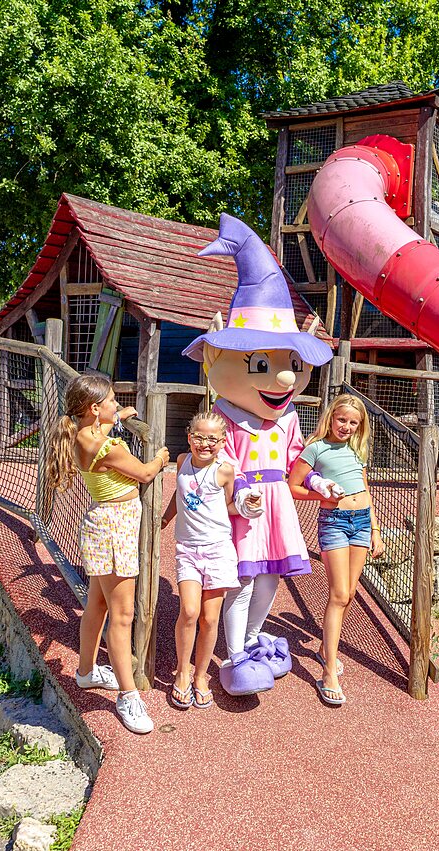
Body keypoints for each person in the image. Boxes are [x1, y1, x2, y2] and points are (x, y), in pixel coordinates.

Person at [181, 213, 333, 698]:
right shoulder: (223, 416)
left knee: (271, 577)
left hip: (279, 507)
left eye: (291, 364)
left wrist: (316, 483)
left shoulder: (288, 419)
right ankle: (233, 653)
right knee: (241, 582)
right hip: (244, 506)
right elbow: (221, 462)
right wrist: (240, 492)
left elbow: (296, 463)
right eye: (265, 364)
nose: (285, 379)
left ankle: (249, 639)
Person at [44, 374, 169, 734]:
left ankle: (85, 672)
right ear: (94, 408)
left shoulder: (84, 432)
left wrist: (118, 415)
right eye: (112, 401)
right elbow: (145, 473)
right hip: (115, 529)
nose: (118, 405)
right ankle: (128, 696)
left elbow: (105, 424)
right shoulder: (107, 447)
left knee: (97, 605)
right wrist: (160, 456)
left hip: (106, 524)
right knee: (123, 614)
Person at [288, 394, 385, 706]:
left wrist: (376, 530)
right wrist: (322, 499)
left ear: (360, 427)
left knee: (350, 593)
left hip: (360, 521)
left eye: (353, 423)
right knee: (339, 594)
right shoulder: (316, 448)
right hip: (334, 522)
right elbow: (293, 486)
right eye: (342, 420)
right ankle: (329, 671)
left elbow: (365, 489)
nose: (346, 426)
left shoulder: (358, 450)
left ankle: (323, 649)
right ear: (331, 417)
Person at [160, 411, 247, 710]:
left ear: (222, 442)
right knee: (188, 610)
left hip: (218, 550)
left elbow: (227, 505)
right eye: (199, 436)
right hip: (187, 548)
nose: (205, 443)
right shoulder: (183, 461)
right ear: (189, 437)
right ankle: (182, 672)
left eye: (212, 438)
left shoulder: (225, 471)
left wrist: (253, 504)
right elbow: (178, 495)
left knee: (210, 619)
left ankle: (200, 675)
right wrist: (165, 519)